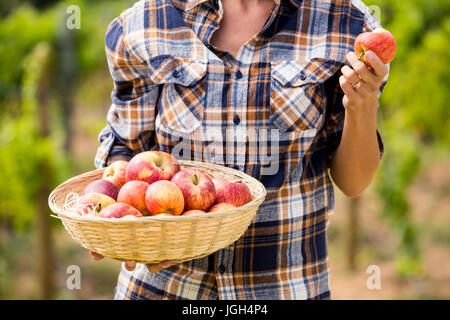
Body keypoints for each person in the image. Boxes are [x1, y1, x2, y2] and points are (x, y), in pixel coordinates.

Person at [91, 0, 389, 300]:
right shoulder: (148, 21)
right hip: (164, 286)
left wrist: (362, 105)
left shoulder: (344, 21)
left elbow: (353, 182)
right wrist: (124, 230)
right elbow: (126, 155)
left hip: (283, 287)